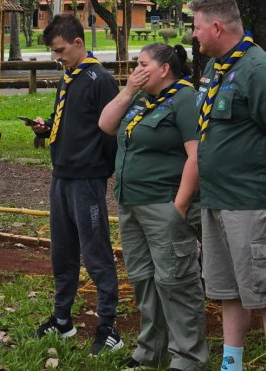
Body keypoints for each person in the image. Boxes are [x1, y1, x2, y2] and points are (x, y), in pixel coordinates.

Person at [192, 0, 266, 371]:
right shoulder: (214, 69)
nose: (193, 35)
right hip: (216, 200)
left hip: (252, 202)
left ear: (217, 27)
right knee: (228, 290)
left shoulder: (259, 70)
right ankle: (231, 365)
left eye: (197, 27)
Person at [99, 43, 207, 371]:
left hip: (164, 205)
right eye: (136, 64)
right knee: (144, 279)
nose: (136, 70)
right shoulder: (142, 100)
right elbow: (106, 124)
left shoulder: (185, 99)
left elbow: (197, 155)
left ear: (164, 69)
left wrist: (180, 205)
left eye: (143, 64)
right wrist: (128, 90)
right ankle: (151, 351)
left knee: (176, 282)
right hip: (131, 204)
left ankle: (188, 358)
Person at [31, 13, 122, 355]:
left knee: (96, 252)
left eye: (60, 50)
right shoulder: (68, 78)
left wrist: (101, 170)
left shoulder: (100, 80)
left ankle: (108, 326)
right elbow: (69, 120)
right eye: (54, 52)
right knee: (62, 251)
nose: (57, 57)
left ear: (79, 43)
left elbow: (110, 130)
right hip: (62, 176)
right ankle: (62, 319)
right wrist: (47, 127)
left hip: (87, 179)